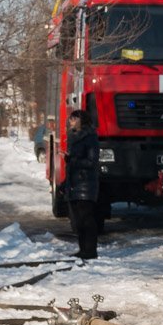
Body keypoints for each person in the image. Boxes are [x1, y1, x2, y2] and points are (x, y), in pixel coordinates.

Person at [64, 110, 101, 260]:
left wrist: (72, 160)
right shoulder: (72, 137)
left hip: (86, 183)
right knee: (78, 221)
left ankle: (90, 251)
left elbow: (92, 161)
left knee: (87, 219)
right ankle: (82, 249)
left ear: (82, 120)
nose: (70, 121)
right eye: (70, 118)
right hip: (75, 183)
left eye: (74, 118)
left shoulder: (90, 138)